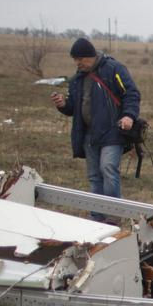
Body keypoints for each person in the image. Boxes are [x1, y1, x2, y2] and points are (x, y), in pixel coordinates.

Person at [50, 37, 141, 212]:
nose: (77, 63)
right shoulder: (77, 79)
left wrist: (129, 116)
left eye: (80, 59)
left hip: (112, 132)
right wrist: (63, 105)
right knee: (94, 176)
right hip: (88, 134)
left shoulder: (114, 69)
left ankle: (113, 213)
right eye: (75, 60)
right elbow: (73, 107)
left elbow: (131, 94)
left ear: (89, 56)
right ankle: (97, 216)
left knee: (107, 168)